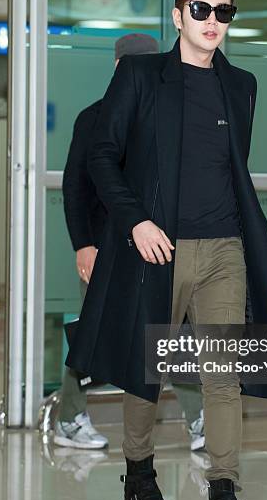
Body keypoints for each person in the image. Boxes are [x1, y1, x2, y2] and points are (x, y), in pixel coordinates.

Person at [66, 0, 267, 500]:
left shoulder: (241, 86)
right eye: (201, 10)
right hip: (155, 249)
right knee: (148, 372)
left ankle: (223, 496)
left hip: (224, 249)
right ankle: (138, 474)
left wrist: (257, 255)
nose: (213, 21)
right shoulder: (140, 76)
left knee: (223, 374)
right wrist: (134, 220)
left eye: (224, 11)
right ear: (178, 16)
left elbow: (232, 172)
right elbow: (101, 157)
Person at [58, 33, 205, 450]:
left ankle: (198, 420)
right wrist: (83, 244)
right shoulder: (94, 118)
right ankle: (69, 418)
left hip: (160, 246)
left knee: (173, 331)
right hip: (107, 247)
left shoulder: (171, 115)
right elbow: (76, 188)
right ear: (118, 68)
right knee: (96, 332)